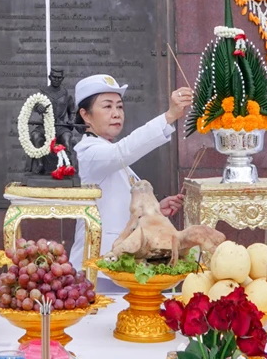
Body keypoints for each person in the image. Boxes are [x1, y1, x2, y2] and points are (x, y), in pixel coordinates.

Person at [72, 73, 192, 269]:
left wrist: (154, 211)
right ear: (85, 115)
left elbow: (117, 203)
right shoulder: (89, 151)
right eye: (107, 106)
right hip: (99, 262)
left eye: (119, 106)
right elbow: (123, 151)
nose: (116, 113)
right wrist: (169, 116)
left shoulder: (108, 150)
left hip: (119, 260)